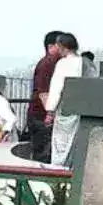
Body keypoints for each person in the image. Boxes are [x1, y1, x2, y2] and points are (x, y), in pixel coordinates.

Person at [45, 32, 83, 166]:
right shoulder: (84, 62)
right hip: (80, 109)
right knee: (74, 142)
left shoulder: (63, 63)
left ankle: (58, 170)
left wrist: (50, 111)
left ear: (62, 46)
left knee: (60, 143)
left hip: (64, 108)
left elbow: (56, 88)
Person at [28, 30, 63, 162]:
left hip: (42, 116)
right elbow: (44, 92)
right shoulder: (48, 63)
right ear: (51, 46)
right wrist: (50, 114)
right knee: (44, 155)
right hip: (41, 118)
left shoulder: (53, 63)